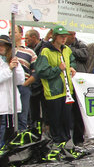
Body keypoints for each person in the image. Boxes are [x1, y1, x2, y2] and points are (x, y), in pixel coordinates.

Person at [33, 26, 78, 157]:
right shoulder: (46, 51)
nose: (64, 39)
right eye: (61, 36)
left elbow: (72, 61)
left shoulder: (67, 49)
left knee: (67, 120)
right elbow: (41, 71)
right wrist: (58, 69)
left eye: (65, 36)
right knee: (55, 121)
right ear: (55, 37)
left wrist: (72, 68)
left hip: (67, 91)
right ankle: (56, 145)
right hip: (53, 92)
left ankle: (67, 144)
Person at [0, 35, 24, 152]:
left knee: (10, 131)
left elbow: (20, 80)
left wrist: (17, 67)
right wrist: (9, 69)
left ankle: (8, 155)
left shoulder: (13, 61)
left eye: (3, 45)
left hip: (11, 103)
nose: (1, 48)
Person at [13, 26, 37, 131]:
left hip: (23, 87)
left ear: (21, 34)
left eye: (13, 32)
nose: (10, 34)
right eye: (9, 32)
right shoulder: (6, 51)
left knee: (22, 116)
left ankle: (21, 141)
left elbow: (36, 72)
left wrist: (26, 83)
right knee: (7, 117)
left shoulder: (29, 52)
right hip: (8, 87)